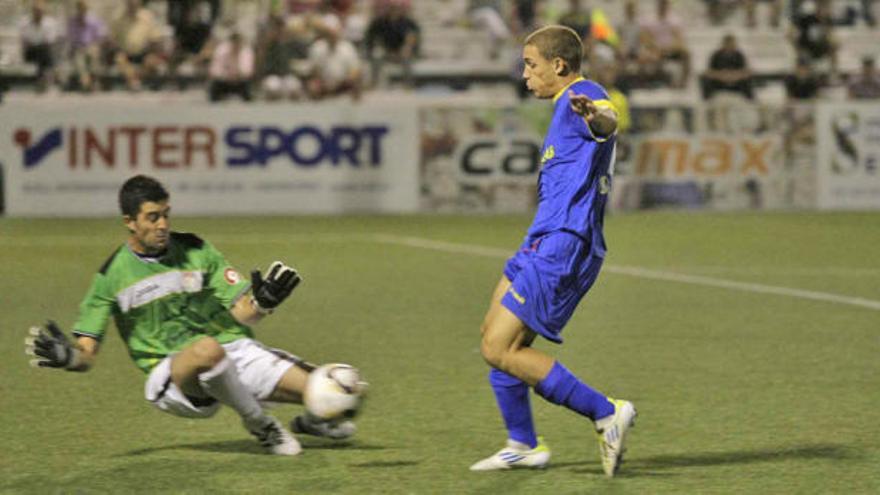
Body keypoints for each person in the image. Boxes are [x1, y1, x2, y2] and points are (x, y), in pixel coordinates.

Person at [24, 175, 359, 456]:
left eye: (166, 214)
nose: (164, 225)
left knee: (343, 387)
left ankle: (315, 420)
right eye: (153, 217)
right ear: (129, 222)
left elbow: (243, 314)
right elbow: (86, 355)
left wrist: (263, 302)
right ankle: (261, 425)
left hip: (230, 350)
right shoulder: (111, 276)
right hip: (170, 377)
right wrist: (68, 357)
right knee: (207, 350)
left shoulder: (196, 249)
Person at [469, 25, 635, 477]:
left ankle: (605, 412)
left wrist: (595, 115)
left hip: (565, 242)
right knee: (494, 336)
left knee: (499, 347)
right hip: (541, 238)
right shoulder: (563, 105)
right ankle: (522, 444)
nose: (524, 74)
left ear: (558, 65)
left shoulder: (582, 93)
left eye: (531, 64)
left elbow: (606, 120)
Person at [19, 0, 61, 92]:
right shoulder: (25, 22)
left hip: (44, 51)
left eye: (40, 11)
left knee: (44, 51)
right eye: (36, 10)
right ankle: (43, 80)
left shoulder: (50, 23)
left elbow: (50, 40)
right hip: (31, 51)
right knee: (42, 52)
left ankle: (41, 80)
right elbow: (25, 40)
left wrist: (37, 44)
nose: (38, 13)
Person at [66, 0, 107, 92]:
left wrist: (95, 45)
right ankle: (86, 82)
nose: (81, 11)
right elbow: (71, 38)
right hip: (78, 47)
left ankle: (91, 82)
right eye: (80, 9)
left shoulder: (94, 20)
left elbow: (100, 36)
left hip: (92, 46)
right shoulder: (73, 21)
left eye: (83, 9)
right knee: (79, 60)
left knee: (93, 55)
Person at [700, 34, 753, 100]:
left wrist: (734, 76)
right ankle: (706, 101)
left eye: (732, 44)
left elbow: (746, 71)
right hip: (719, 81)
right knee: (706, 80)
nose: (730, 46)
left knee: (747, 81)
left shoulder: (739, 55)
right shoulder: (716, 55)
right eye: (728, 44)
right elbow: (709, 72)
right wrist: (721, 75)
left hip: (736, 81)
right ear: (723, 44)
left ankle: (751, 102)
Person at [208, 31, 254, 102]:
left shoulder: (246, 51)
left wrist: (237, 74)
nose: (236, 45)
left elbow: (247, 71)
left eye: (238, 43)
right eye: (234, 43)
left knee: (247, 88)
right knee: (214, 86)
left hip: (239, 81)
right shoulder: (221, 50)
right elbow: (214, 70)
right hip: (224, 81)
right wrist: (226, 76)